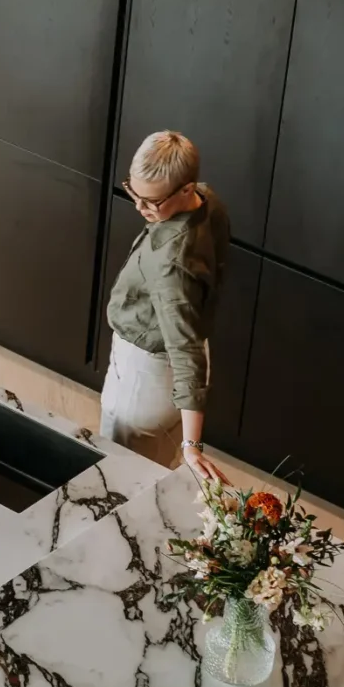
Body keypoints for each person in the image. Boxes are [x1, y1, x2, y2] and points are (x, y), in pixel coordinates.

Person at [101, 130, 231, 479]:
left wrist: (193, 446)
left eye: (152, 202)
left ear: (186, 189)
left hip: (145, 377)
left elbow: (184, 350)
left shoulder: (172, 262)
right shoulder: (207, 200)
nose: (140, 208)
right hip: (180, 356)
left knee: (119, 480)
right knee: (157, 468)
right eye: (134, 193)